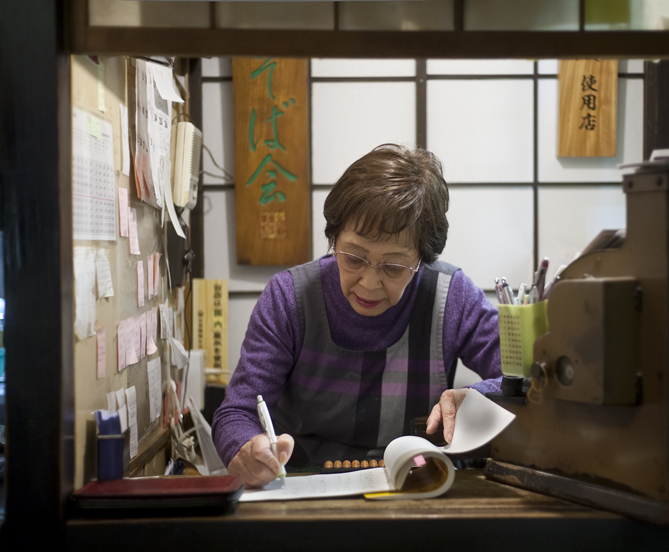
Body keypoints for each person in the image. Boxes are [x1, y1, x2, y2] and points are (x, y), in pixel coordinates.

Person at [212, 144, 502, 488]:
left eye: (394, 266)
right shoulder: (288, 298)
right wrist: (247, 449)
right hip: (305, 494)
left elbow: (528, 381)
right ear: (333, 238)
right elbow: (237, 412)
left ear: (423, 259)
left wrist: (481, 396)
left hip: (417, 491)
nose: (369, 282)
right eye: (353, 258)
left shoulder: (451, 296)